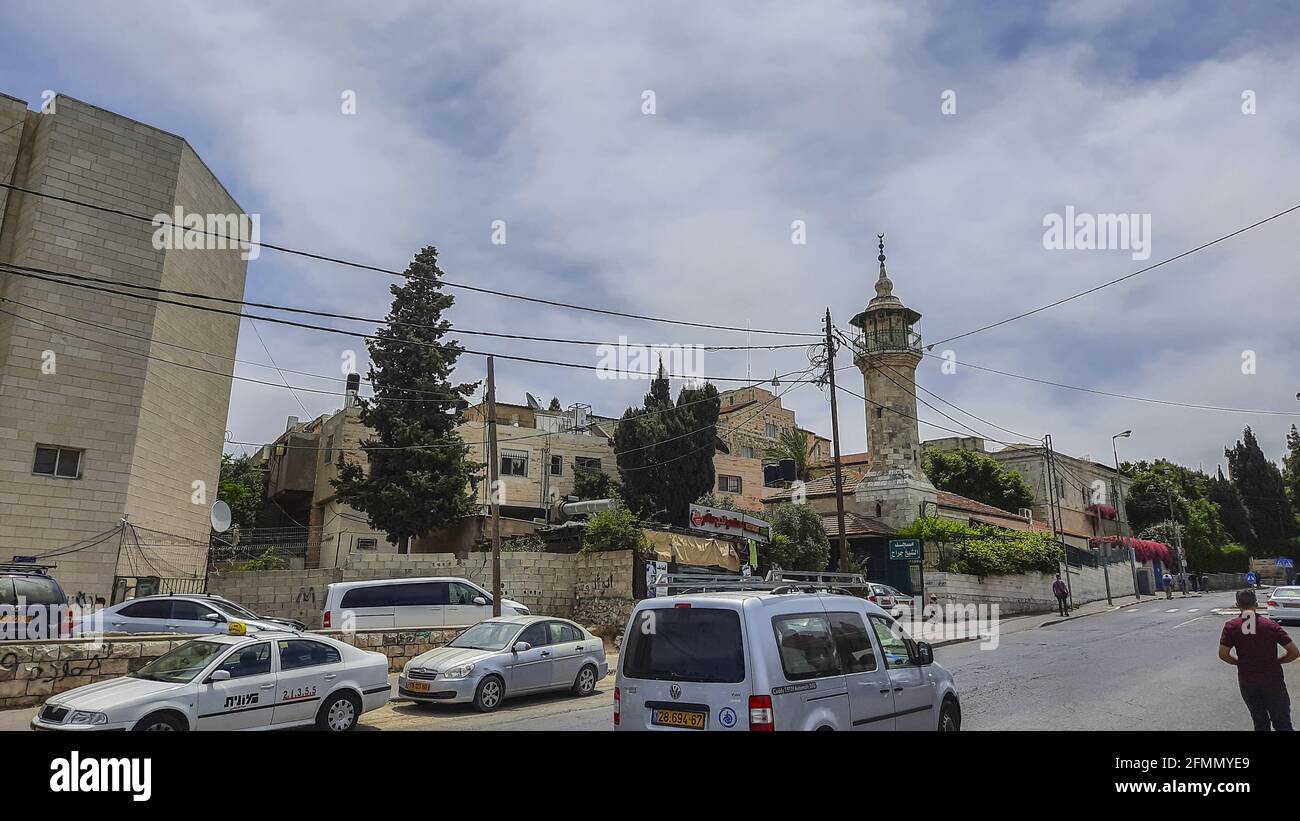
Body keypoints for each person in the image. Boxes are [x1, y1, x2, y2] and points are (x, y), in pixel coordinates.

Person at [1219, 589, 1299, 731]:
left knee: (1260, 722)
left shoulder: (1231, 626)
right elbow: (1294, 652)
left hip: (1248, 681)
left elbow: (1223, 654)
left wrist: (1239, 662)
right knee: (1283, 723)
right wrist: (1278, 661)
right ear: (1256, 604)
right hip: (1273, 681)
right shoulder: (1271, 625)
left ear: (1237, 605)